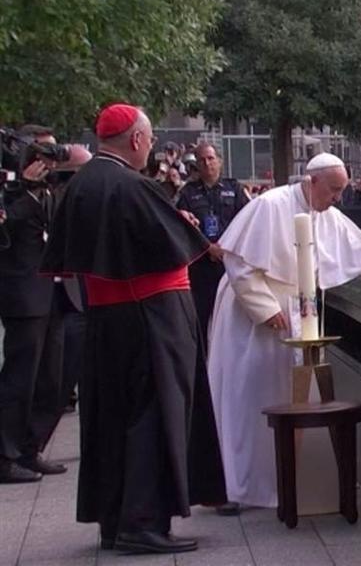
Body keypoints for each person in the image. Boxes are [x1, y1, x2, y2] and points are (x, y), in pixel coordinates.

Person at [206, 153, 361, 509]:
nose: (337, 198)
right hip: (253, 319)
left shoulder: (326, 215)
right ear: (313, 181)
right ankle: (238, 487)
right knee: (248, 399)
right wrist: (267, 309)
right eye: (333, 190)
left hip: (294, 313)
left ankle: (279, 483)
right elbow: (239, 262)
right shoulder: (270, 206)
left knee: (286, 397)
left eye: (341, 192)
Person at [41, 104, 208, 553]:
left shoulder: (81, 185)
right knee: (153, 416)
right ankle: (144, 521)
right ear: (135, 139)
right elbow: (174, 249)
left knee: (111, 417)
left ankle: (115, 520)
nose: (151, 147)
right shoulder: (133, 185)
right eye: (150, 139)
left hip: (105, 318)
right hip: (150, 317)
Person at [0, 126, 89, 484]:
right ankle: (4, 455)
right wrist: (22, 187)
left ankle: (29, 447)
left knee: (55, 378)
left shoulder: (53, 189)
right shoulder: (11, 189)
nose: (50, 159)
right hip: (25, 295)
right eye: (43, 152)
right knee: (20, 378)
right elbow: (7, 230)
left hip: (59, 293)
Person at [174, 142, 248, 514]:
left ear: (220, 161)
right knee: (204, 330)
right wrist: (208, 247)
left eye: (212, 158)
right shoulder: (187, 194)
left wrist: (229, 249)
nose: (208, 164)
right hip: (203, 273)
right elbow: (181, 227)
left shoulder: (235, 189)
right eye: (202, 160)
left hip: (232, 272)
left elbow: (249, 222)